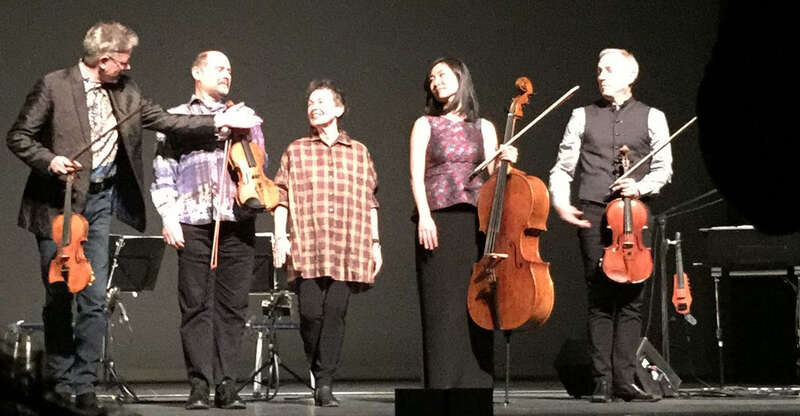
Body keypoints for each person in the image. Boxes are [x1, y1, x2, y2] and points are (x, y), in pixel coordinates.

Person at [6, 22, 260, 413]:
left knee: (93, 297)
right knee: (59, 294)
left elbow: (167, 121)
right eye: (122, 61)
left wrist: (217, 124)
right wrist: (50, 160)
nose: (127, 67)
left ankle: (84, 384)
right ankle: (59, 380)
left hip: (99, 202)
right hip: (57, 204)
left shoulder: (126, 90)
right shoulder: (54, 85)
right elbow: (19, 136)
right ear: (103, 59)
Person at [548, 48, 672, 402]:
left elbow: (663, 167)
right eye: (599, 70)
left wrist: (641, 186)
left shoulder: (654, 117)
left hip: (636, 214)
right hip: (593, 211)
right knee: (600, 297)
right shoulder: (581, 115)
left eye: (609, 70)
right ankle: (601, 380)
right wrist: (560, 201)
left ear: (630, 76)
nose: (601, 75)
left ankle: (624, 379)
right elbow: (563, 167)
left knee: (632, 299)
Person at [150, 50, 265, 410]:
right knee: (195, 305)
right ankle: (199, 383)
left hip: (237, 220)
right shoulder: (177, 117)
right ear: (197, 73)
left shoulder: (247, 117)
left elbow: (258, 165)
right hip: (193, 219)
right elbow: (163, 171)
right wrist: (168, 217)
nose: (226, 74)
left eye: (229, 69)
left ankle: (227, 383)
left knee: (233, 306)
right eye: (219, 68)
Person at [272, 79, 382, 407]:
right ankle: (318, 368)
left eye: (321, 101)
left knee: (335, 311)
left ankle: (324, 382)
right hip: (308, 244)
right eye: (310, 102)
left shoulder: (359, 152)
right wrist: (280, 236)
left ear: (339, 109)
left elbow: (370, 202)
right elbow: (281, 197)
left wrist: (375, 242)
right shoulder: (296, 150)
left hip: (349, 245)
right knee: (309, 314)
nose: (314, 106)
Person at [409, 57, 517, 389]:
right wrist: (424, 215)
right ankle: (441, 385)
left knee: (476, 303)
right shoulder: (425, 124)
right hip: (438, 221)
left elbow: (495, 179)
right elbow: (416, 176)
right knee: (441, 307)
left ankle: (475, 384)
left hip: (477, 223)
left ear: (461, 78)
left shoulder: (484, 127)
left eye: (442, 74)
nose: (435, 81)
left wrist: (508, 163)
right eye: (431, 78)